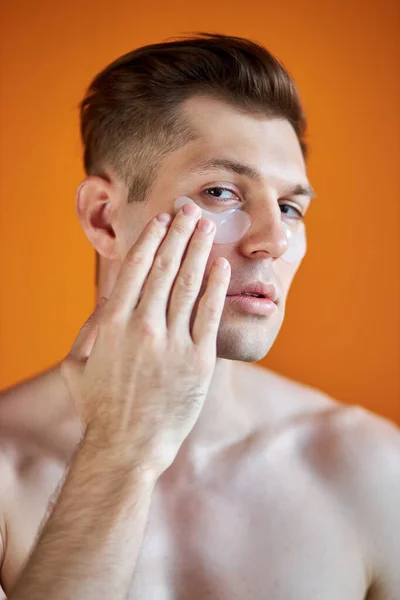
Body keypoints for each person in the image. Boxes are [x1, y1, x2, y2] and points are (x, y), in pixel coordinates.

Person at [0, 32, 399, 600]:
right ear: (105, 219)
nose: (274, 240)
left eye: (289, 207)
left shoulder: (371, 470)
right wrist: (119, 451)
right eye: (221, 192)